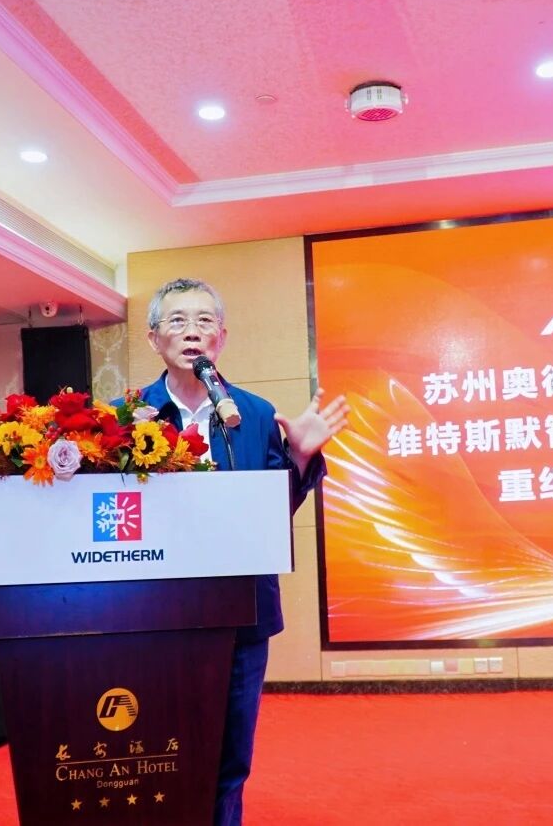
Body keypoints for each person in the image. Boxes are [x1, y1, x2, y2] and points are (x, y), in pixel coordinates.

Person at [137, 277, 348, 825]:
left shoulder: (253, 414)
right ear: (154, 338)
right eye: (177, 321)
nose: (192, 332)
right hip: (150, 617)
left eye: (204, 321)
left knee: (229, 759)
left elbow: (272, 515)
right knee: (157, 753)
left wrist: (299, 458)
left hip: (241, 614)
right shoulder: (124, 416)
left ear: (222, 338)